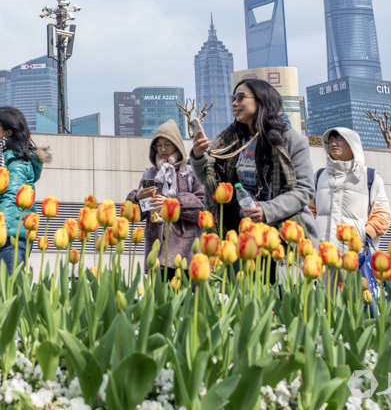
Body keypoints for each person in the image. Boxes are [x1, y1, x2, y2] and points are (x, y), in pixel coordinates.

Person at [191, 79, 319, 256]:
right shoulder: (231, 141)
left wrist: (267, 210)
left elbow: (304, 189)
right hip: (239, 229)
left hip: (280, 229)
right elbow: (213, 182)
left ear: (261, 99)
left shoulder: (292, 141)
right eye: (232, 98)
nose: (234, 103)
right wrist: (198, 157)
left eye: (240, 97)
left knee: (275, 282)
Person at [0, 106, 51, 273]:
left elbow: (12, 198)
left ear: (8, 132)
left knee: (5, 292)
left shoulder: (16, 159)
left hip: (9, 237)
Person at [126, 119, 205, 281]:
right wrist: (137, 198)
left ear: (177, 145)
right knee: (159, 303)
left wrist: (173, 204)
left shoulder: (191, 171)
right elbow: (137, 215)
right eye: (158, 145)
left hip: (186, 253)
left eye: (167, 144)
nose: (162, 149)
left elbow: (203, 207)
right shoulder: (150, 174)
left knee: (186, 304)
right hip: (157, 253)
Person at [309, 128, 390, 248]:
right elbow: (310, 210)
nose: (333, 144)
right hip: (322, 252)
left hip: (355, 253)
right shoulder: (319, 176)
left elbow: (382, 214)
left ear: (352, 143)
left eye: (338, 139)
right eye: (330, 141)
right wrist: (314, 233)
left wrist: (365, 235)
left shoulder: (370, 176)